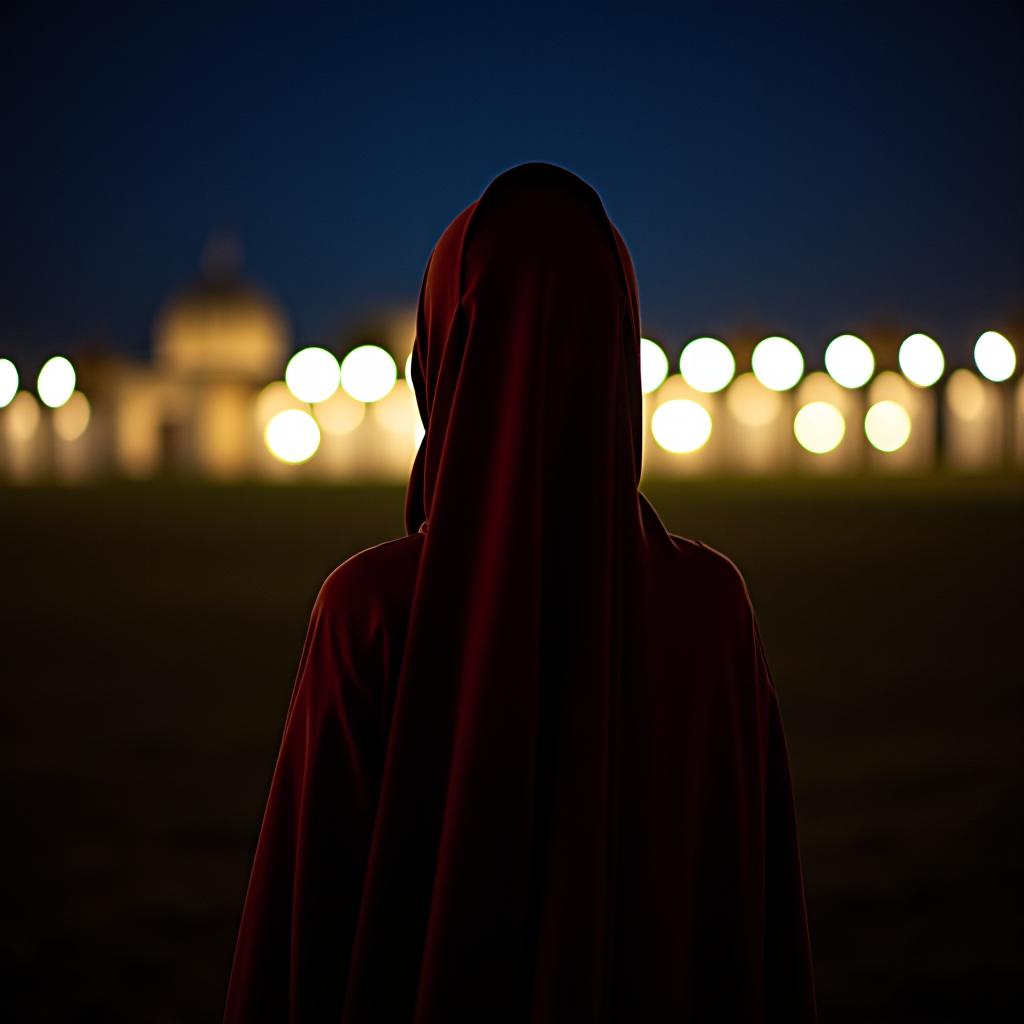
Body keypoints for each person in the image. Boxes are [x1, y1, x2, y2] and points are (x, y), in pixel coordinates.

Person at [223, 161, 817, 1022]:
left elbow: (301, 930)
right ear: (621, 349)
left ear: (443, 354)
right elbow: (751, 933)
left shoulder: (371, 612)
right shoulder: (710, 608)